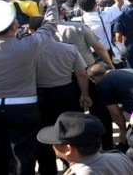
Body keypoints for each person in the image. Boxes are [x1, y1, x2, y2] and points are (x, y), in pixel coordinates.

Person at [0, 0, 58, 175]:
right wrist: (51, 2)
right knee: (24, 155)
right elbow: (51, 25)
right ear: (14, 26)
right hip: (24, 107)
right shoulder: (28, 45)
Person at [28, 16, 93, 175]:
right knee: (70, 131)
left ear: (31, 31)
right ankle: (73, 167)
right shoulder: (69, 49)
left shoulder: (30, 52)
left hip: (40, 96)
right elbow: (81, 74)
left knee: (43, 134)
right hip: (66, 93)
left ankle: (48, 169)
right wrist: (85, 94)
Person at [37, 112, 133, 175]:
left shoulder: (79, 172)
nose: (53, 146)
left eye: (55, 142)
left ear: (68, 149)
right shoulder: (121, 158)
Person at [88, 63, 133, 150]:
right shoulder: (130, 70)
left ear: (95, 78)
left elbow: (115, 113)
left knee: (132, 141)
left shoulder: (103, 83)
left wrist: (123, 132)